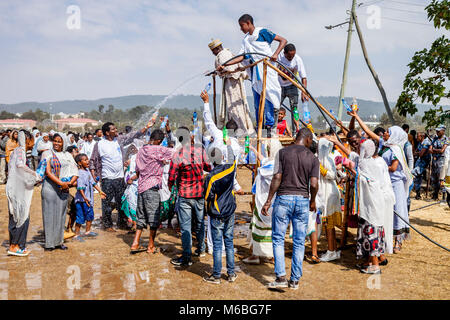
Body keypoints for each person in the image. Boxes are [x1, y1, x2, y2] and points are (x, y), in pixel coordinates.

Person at [261, 128, 319, 290]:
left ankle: (280, 277)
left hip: (283, 198)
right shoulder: (313, 158)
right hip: (302, 200)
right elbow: (314, 184)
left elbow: (277, 177)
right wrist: (312, 201)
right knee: (299, 242)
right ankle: (294, 280)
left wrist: (268, 200)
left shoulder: (282, 153)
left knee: (278, 238)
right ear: (307, 139)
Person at [217, 14, 287, 135]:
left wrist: (275, 54)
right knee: (258, 103)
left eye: (242, 25)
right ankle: (261, 127)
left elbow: (283, 40)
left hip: (267, 70)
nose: (241, 29)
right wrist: (225, 65)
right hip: (256, 74)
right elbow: (242, 56)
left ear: (248, 23)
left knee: (270, 98)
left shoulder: (262, 32)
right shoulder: (246, 40)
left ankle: (270, 127)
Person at [169, 127, 212, 266]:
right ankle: (201, 249)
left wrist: (171, 187)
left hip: (185, 194)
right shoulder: (200, 151)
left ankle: (187, 256)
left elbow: (171, 176)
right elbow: (209, 168)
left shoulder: (178, 155)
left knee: (186, 226)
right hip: (199, 193)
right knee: (199, 223)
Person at [130, 129, 175, 254]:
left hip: (141, 187)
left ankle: (135, 243)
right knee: (154, 218)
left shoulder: (141, 151)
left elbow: (137, 171)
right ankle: (150, 245)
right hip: (152, 187)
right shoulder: (158, 149)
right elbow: (177, 154)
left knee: (141, 217)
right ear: (160, 141)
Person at [354, 140, 395, 274]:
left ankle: (375, 266)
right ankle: (372, 261)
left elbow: (363, 178)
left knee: (371, 233)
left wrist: (351, 170)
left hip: (370, 204)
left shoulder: (366, 164)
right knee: (377, 231)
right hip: (379, 201)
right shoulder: (379, 162)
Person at [202, 140, 238, 284]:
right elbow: (232, 157)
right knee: (229, 242)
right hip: (230, 210)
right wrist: (228, 144)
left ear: (211, 161)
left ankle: (216, 275)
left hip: (217, 212)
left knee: (217, 245)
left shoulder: (211, 177)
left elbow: (207, 196)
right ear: (221, 157)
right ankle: (231, 273)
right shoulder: (230, 168)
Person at [244, 141, 282, 265]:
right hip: (275, 203)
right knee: (274, 230)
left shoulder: (267, 167)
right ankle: (272, 256)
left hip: (263, 202)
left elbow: (264, 162)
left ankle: (255, 255)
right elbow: (263, 158)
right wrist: (254, 149)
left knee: (258, 228)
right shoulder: (280, 166)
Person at [41, 133, 79, 251]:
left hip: (65, 188)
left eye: (59, 141)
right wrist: (60, 183)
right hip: (50, 187)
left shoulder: (67, 155)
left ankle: (59, 241)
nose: (56, 143)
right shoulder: (47, 153)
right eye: (55, 141)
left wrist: (69, 183)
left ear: (64, 143)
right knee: (49, 214)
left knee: (61, 214)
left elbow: (75, 170)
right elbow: (48, 171)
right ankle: (49, 243)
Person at [209, 39, 255, 135]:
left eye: (213, 51)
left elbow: (229, 69)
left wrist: (219, 71)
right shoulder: (228, 53)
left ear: (216, 49)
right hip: (233, 83)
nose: (213, 53)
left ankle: (240, 130)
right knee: (236, 107)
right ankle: (241, 129)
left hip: (232, 84)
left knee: (234, 108)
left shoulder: (223, 55)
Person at [89, 122, 128, 231]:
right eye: (113, 129)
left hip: (120, 177)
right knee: (107, 202)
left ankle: (122, 223)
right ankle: (107, 225)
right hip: (107, 178)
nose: (116, 131)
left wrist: (146, 127)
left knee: (121, 201)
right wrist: (94, 177)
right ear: (107, 132)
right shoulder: (100, 144)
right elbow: (92, 161)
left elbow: (132, 136)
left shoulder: (118, 141)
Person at [6, 130, 39, 256]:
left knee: (14, 216)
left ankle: (15, 245)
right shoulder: (20, 151)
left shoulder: (15, 151)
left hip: (13, 188)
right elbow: (20, 165)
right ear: (27, 140)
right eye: (31, 139)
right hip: (17, 190)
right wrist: (34, 173)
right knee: (22, 216)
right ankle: (15, 246)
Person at [316, 138, 342, 262]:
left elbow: (333, 175)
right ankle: (334, 251)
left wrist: (322, 170)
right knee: (328, 225)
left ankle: (331, 251)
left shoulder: (327, 159)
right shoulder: (321, 158)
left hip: (329, 194)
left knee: (329, 225)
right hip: (327, 193)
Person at [72, 153, 105, 242]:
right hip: (82, 200)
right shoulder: (79, 173)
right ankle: (76, 234)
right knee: (80, 217)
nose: (88, 161)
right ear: (79, 163)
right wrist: (85, 198)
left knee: (90, 216)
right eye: (85, 160)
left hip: (88, 199)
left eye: (88, 159)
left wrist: (100, 191)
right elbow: (80, 188)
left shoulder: (87, 171)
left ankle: (87, 231)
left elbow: (93, 183)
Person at [278, 43, 308, 133]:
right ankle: (272, 130)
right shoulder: (279, 57)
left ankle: (296, 131)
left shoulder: (297, 60)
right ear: (284, 53)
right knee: (275, 107)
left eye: (293, 55)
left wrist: (304, 92)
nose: (291, 58)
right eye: (289, 56)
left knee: (294, 109)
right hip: (279, 86)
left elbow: (304, 78)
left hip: (292, 86)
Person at [429, 125, 448, 200]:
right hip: (434, 161)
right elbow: (430, 149)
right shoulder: (434, 138)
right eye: (436, 131)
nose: (437, 132)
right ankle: (435, 195)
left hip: (442, 161)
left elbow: (442, 151)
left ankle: (444, 197)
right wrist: (436, 150)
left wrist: (434, 150)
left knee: (442, 179)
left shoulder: (446, 139)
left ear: (443, 131)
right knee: (434, 178)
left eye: (439, 131)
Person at [412, 132, 431, 200]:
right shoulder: (420, 143)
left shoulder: (426, 142)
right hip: (420, 161)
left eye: (418, 136)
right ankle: (418, 194)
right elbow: (416, 152)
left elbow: (420, 154)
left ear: (422, 137)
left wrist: (417, 153)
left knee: (413, 173)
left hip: (424, 162)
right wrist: (417, 153)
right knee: (417, 177)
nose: (416, 137)